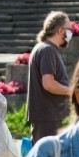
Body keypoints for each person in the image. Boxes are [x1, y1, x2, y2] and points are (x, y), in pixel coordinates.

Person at [27, 11, 72, 144]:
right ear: (60, 30)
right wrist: (72, 91)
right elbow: (49, 84)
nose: (70, 33)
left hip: (47, 117)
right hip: (47, 118)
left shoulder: (46, 48)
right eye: (68, 29)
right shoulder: (48, 50)